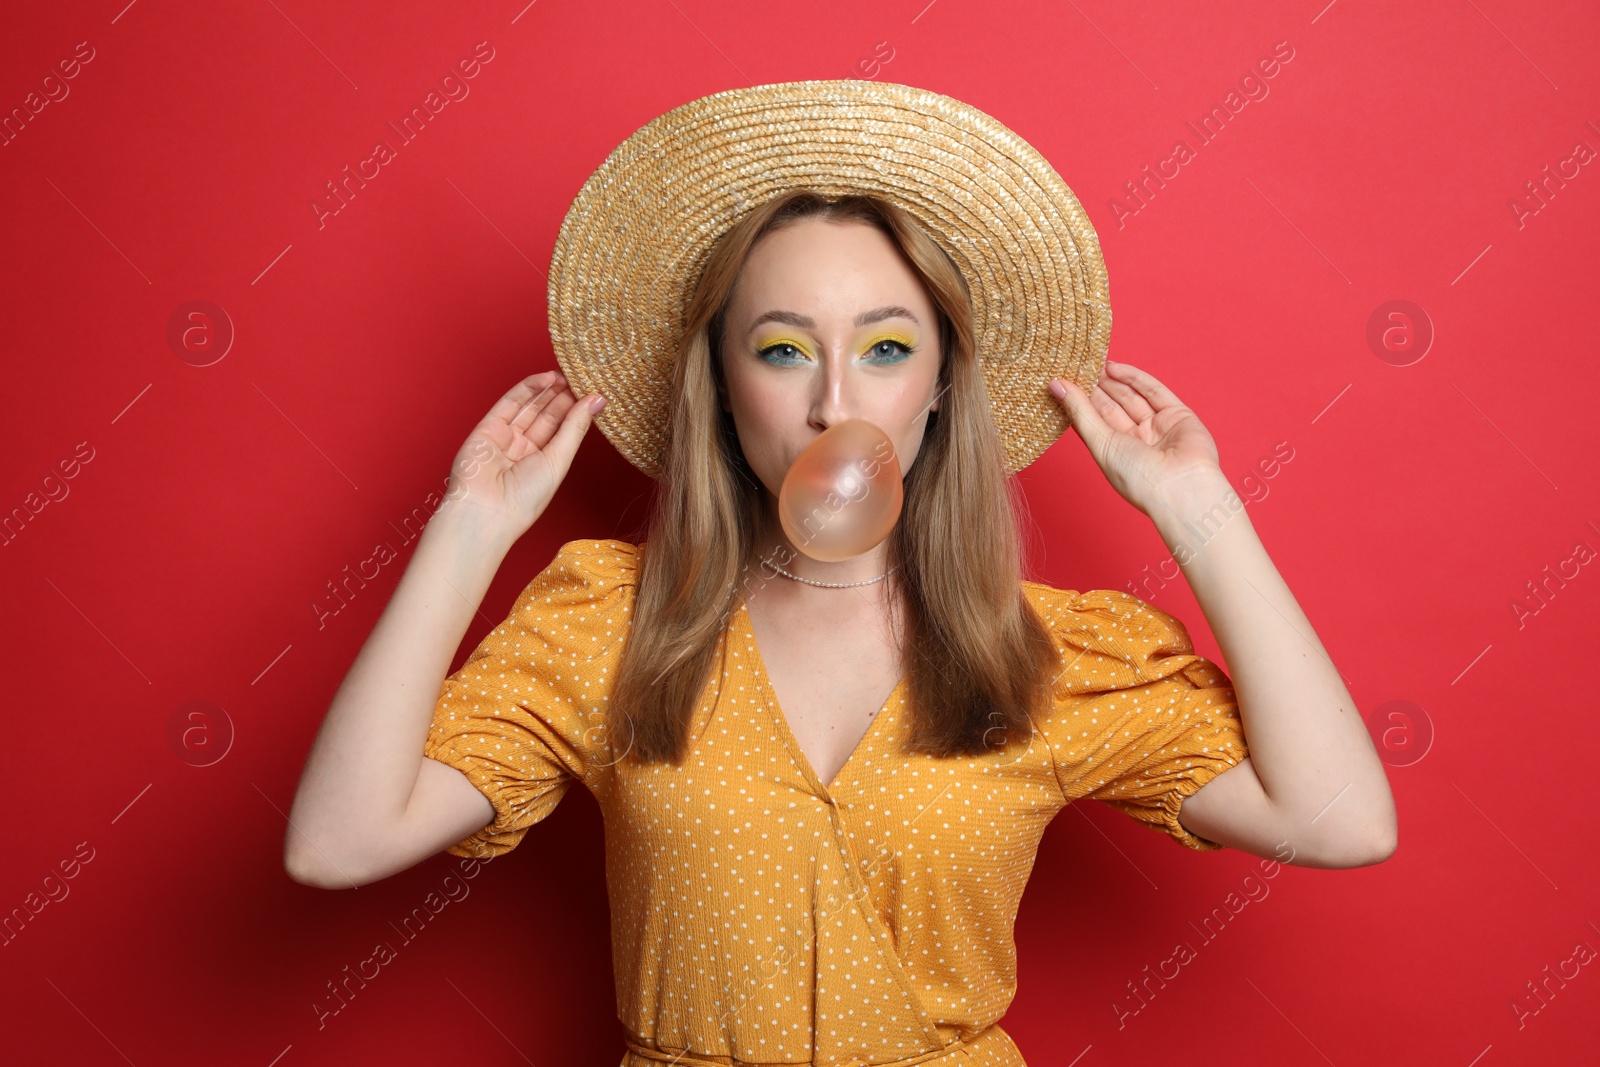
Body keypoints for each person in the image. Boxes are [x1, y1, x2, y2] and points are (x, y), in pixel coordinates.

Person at [284, 81, 1396, 1066]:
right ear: (719, 383)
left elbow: (1340, 820)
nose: (831, 402)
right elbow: (339, 841)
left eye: (885, 346)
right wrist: (470, 524)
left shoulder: (1050, 655)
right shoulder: (609, 623)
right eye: (779, 349)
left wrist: (1197, 510)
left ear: (944, 383)